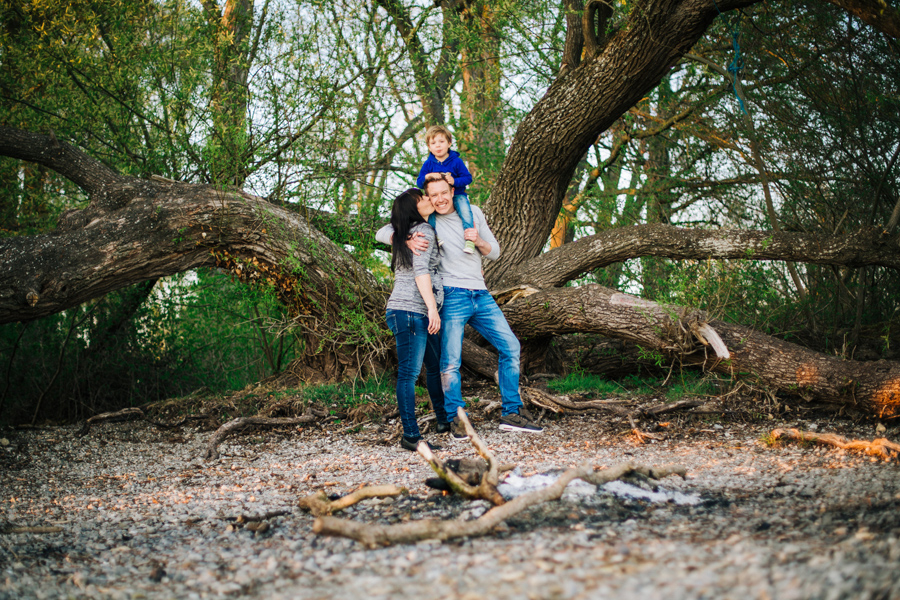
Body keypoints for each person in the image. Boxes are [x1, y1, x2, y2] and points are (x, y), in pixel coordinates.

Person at [377, 175, 543, 440]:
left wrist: (477, 240)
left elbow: (495, 252)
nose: (440, 199)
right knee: (450, 361)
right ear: (427, 199)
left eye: (444, 193)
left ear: (453, 191)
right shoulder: (427, 220)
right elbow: (383, 231)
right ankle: (457, 418)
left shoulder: (472, 213)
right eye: (433, 196)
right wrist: (405, 239)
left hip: (481, 293)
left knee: (510, 346)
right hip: (452, 294)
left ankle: (512, 412)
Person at [384, 189, 450, 451]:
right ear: (414, 208)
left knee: (434, 366)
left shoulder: (408, 232)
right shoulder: (422, 230)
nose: (428, 200)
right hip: (411, 311)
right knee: (409, 375)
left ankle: (444, 421)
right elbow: (421, 271)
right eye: (422, 199)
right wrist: (433, 309)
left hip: (413, 311)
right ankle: (411, 435)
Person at [416, 125, 478, 255]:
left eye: (441, 142)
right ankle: (434, 236)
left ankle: (469, 238)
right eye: (433, 143)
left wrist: (454, 181)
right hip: (437, 198)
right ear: (429, 147)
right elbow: (420, 182)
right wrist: (428, 176)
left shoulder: (456, 161)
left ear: (449, 143)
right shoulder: (428, 164)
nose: (437, 146)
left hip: (458, 194)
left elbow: (468, 178)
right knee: (430, 214)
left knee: (465, 211)